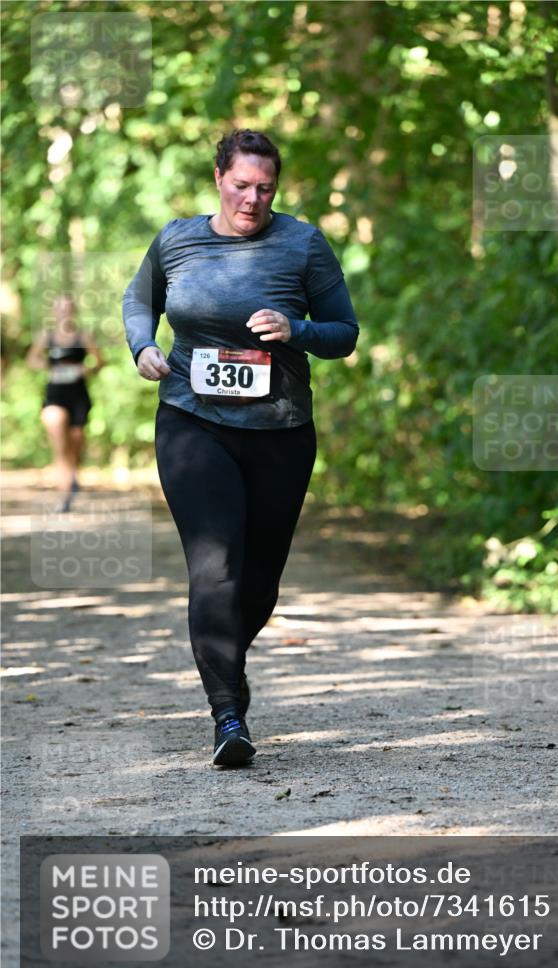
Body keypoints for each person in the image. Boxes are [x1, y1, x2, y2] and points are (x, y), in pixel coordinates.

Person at [122, 128, 359, 767]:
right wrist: (142, 345)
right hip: (192, 423)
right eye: (241, 185)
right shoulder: (177, 239)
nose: (252, 199)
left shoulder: (304, 244)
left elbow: (345, 332)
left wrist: (297, 328)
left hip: (281, 432)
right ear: (219, 179)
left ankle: (227, 656)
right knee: (216, 565)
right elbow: (138, 300)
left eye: (265, 188)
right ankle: (228, 712)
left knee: (258, 583)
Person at [27, 293, 104, 512]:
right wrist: (49, 367)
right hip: (54, 395)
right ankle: (64, 493)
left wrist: (85, 369)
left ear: (73, 311)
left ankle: (72, 475)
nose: (64, 312)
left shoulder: (83, 336)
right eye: (59, 308)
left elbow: (99, 362)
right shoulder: (47, 336)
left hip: (78, 395)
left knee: (76, 439)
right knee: (60, 441)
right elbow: (32, 359)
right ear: (54, 311)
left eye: (68, 308)